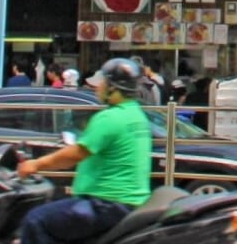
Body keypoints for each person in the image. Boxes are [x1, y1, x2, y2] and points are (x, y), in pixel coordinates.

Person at [16, 59, 152, 244]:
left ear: (114, 88)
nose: (98, 87)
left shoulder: (109, 118)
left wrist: (34, 164)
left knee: (35, 220)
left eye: (103, 83)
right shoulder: (137, 115)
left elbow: (75, 154)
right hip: (129, 204)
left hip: (105, 205)